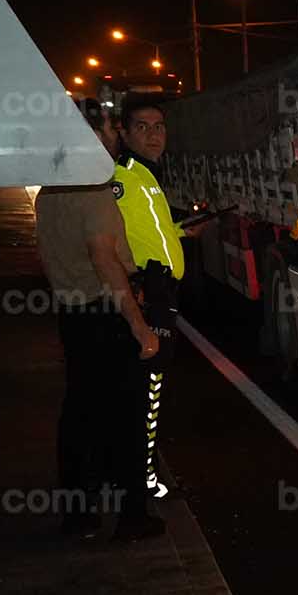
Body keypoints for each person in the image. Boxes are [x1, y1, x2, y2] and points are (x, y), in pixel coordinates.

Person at [35, 100, 160, 539]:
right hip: (105, 314)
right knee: (127, 416)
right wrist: (137, 324)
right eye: (109, 127)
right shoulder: (95, 188)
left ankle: (79, 513)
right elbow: (103, 257)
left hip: (72, 313)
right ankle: (131, 516)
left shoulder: (52, 191)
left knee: (81, 412)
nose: (114, 135)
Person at [110, 96, 185, 529]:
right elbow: (113, 240)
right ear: (124, 131)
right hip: (148, 293)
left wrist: (181, 232)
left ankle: (140, 474)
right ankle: (141, 484)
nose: (154, 135)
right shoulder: (125, 178)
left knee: (150, 389)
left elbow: (150, 231)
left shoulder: (147, 177)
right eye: (142, 127)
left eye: (159, 126)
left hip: (160, 290)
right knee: (148, 392)